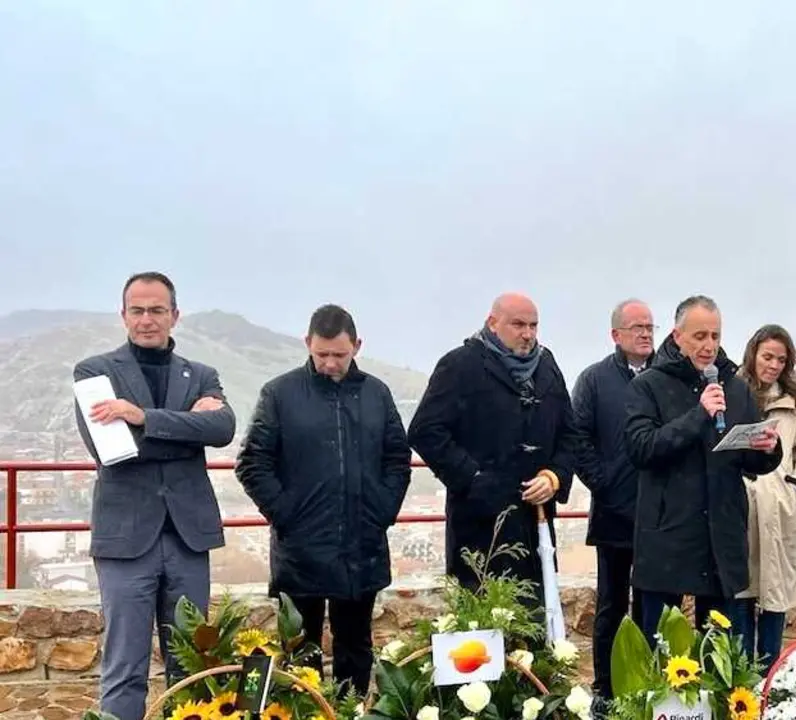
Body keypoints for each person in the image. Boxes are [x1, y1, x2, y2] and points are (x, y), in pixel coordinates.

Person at [71, 271, 236, 720]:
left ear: (175, 315)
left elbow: (223, 428)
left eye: (157, 310)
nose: (148, 319)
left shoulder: (201, 374)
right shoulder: (95, 371)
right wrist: (188, 428)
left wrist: (141, 417)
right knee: (125, 667)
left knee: (192, 667)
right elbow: (112, 451)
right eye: (138, 310)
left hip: (188, 539)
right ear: (123, 315)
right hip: (126, 541)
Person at [235, 304, 412, 697]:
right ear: (307, 344)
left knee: (356, 648)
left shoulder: (376, 394)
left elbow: (397, 459)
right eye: (322, 354)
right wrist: (287, 515)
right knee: (300, 654)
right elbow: (252, 463)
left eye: (339, 354)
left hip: (361, 547)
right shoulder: (279, 394)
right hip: (300, 551)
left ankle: (351, 711)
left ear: (357, 346)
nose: (330, 363)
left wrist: (382, 512)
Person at [625, 295, 782, 641]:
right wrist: (699, 415)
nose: (709, 345)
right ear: (677, 336)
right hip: (669, 534)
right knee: (661, 648)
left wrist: (768, 448)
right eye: (699, 336)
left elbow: (750, 461)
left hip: (721, 535)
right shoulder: (648, 385)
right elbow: (641, 448)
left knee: (719, 651)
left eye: (715, 336)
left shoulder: (735, 387)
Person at [407, 293, 574, 599]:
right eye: (518, 325)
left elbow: (569, 433)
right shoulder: (460, 365)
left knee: (536, 618)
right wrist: (474, 479)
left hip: (535, 524)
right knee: (482, 621)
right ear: (492, 323)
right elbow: (425, 431)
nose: (528, 334)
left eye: (533, 325)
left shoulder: (547, 366)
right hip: (479, 528)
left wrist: (554, 477)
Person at [571, 298, 655, 701]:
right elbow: (577, 437)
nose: (645, 334)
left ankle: (647, 686)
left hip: (659, 513)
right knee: (611, 605)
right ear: (616, 334)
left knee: (652, 605)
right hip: (613, 513)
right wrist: (602, 483)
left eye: (650, 327)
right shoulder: (594, 380)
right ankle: (605, 688)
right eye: (637, 327)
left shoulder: (666, 374)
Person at [734, 324, 796, 670]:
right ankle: (738, 681)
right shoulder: (731, 391)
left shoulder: (793, 402)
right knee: (739, 596)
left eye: (781, 360)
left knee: (775, 599)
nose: (773, 365)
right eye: (767, 357)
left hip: (779, 509)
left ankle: (769, 678)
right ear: (753, 354)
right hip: (739, 506)